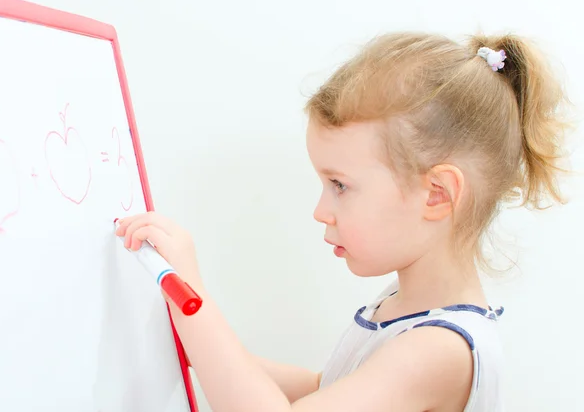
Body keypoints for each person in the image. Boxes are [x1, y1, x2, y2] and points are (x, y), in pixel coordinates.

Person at [116, 31, 571, 411]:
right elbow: (326, 387)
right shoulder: (402, 305)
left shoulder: (440, 348)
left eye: (340, 185)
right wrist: (200, 351)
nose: (320, 210)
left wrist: (192, 299)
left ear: (436, 194)